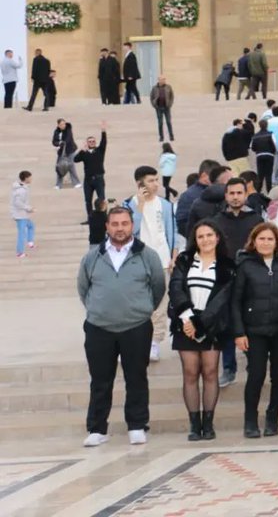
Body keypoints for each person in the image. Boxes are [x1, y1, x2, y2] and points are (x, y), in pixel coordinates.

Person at [77, 206, 165, 447]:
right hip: (99, 328)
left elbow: (158, 287)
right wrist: (100, 309)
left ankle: (137, 426)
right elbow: (83, 289)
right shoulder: (92, 257)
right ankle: (97, 428)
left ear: (132, 225)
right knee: (100, 379)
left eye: (124, 223)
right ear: (107, 226)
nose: (119, 228)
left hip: (136, 326)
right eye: (114, 224)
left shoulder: (148, 255)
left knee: (136, 377)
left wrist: (141, 309)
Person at [168, 220, 235, 441]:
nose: (205, 240)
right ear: (195, 240)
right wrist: (188, 318)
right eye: (200, 236)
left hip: (212, 324)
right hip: (184, 322)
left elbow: (222, 299)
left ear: (217, 237)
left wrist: (200, 323)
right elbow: (176, 288)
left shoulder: (227, 265)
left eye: (209, 235)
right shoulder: (185, 260)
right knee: (190, 372)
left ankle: (208, 423)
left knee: (209, 371)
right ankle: (194, 424)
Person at [232, 223, 278, 438]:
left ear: (277, 241)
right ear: (254, 241)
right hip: (254, 330)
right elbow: (236, 301)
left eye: (270, 239)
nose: (265, 243)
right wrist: (239, 332)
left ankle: (272, 417)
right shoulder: (244, 265)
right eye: (261, 239)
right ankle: (250, 420)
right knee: (256, 375)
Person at [126, 165, 182, 363]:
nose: (156, 184)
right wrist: (139, 206)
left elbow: (173, 232)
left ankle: (154, 343)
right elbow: (128, 233)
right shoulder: (129, 205)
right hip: (137, 263)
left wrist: (174, 255)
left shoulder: (165, 205)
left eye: (156, 180)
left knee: (159, 305)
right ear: (139, 183)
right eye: (151, 181)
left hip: (162, 262)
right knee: (137, 305)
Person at [75, 124, 109, 223]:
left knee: (101, 198)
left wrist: (103, 131)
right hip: (88, 180)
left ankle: (103, 217)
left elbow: (104, 142)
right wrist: (82, 150)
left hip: (99, 178)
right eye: (90, 142)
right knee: (88, 200)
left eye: (93, 141)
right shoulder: (84, 153)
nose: (92, 143)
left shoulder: (99, 150)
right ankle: (90, 218)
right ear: (87, 143)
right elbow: (75, 159)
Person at [10, 171, 34, 258]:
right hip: (20, 215)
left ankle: (30, 242)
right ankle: (20, 252)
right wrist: (29, 209)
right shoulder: (21, 191)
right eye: (30, 177)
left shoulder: (23, 187)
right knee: (22, 233)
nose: (31, 179)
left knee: (31, 226)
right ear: (26, 178)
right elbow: (18, 203)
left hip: (23, 214)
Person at [53, 119, 81, 189]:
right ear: (58, 125)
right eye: (61, 124)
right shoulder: (56, 132)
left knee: (71, 166)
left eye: (64, 124)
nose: (63, 125)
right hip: (61, 152)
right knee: (59, 167)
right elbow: (54, 141)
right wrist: (59, 143)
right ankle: (58, 184)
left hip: (70, 150)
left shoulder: (68, 129)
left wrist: (62, 143)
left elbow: (68, 139)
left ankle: (76, 182)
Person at [149, 76, 175, 142]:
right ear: (159, 80)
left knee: (168, 122)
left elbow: (172, 96)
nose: (163, 81)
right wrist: (154, 104)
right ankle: (161, 137)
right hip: (159, 107)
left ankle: (171, 136)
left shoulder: (168, 87)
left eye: (164, 79)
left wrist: (170, 104)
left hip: (166, 107)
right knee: (160, 123)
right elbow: (151, 97)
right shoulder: (154, 88)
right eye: (161, 79)